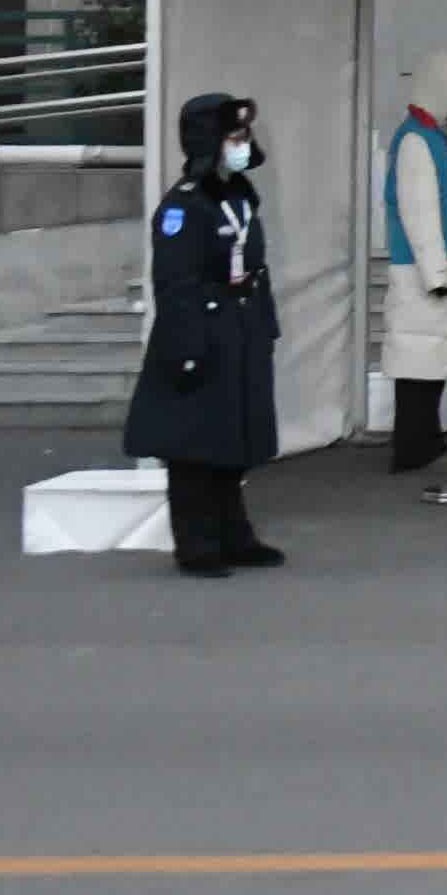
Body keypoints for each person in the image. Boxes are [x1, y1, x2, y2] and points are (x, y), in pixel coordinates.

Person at [125, 90, 283, 577]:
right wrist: (188, 347)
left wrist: (264, 325)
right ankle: (196, 544)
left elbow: (254, 263)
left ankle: (235, 534)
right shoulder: (182, 208)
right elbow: (174, 284)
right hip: (203, 331)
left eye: (244, 136)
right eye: (232, 136)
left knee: (232, 441)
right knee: (194, 447)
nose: (241, 145)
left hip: (239, 327)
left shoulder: (238, 194)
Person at [378, 48, 447, 475]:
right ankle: (412, 443)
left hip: (446, 265)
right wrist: (436, 273)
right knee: (418, 361)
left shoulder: (435, 137)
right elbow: (419, 212)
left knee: (434, 360)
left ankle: (425, 437)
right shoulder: (417, 141)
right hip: (427, 271)